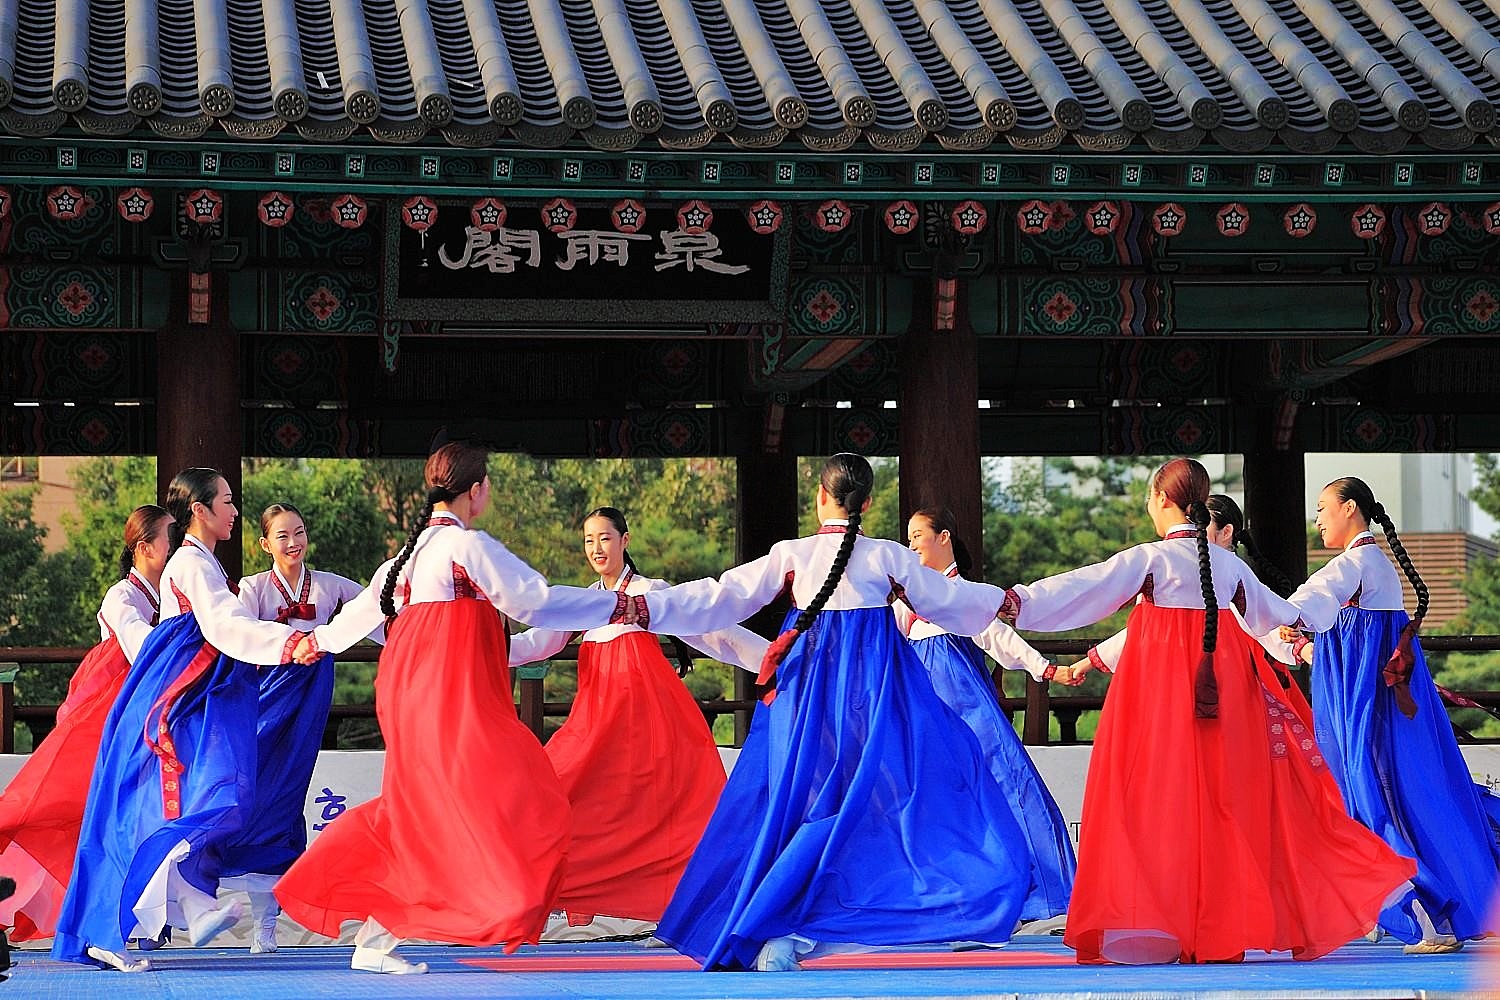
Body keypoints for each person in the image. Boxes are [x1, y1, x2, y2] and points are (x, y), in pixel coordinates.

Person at [609, 453, 1033, 971]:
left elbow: (722, 596)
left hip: (806, 699)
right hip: (874, 702)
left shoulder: (793, 553)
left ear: (820, 497)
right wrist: (1006, 602)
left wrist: (647, 607)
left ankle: (775, 926)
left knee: (792, 806)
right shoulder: (888, 557)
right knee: (895, 802)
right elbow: (949, 599)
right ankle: (811, 928)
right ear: (868, 503)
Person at [1007, 458, 1415, 965]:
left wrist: (1016, 602)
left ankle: (1165, 925)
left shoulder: (1152, 559)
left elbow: (1086, 587)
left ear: (1161, 499)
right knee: (1225, 807)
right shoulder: (1227, 566)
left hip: (1158, 698)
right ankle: (1218, 930)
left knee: (1153, 803)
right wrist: (1304, 625)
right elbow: (1279, 613)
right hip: (1227, 698)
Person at [273, 442, 621, 975]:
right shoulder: (466, 545)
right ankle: (493, 904)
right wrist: (617, 603)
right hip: (453, 700)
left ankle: (378, 935)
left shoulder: (406, 556)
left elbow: (359, 615)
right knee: (522, 794)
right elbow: (535, 600)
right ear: (476, 490)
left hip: (414, 697)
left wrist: (315, 642)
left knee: (425, 811)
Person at [53, 470, 318, 973]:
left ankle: (192, 910)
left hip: (184, 699)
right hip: (173, 704)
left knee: (178, 807)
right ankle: (114, 928)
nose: (234, 511)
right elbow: (224, 626)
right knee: (160, 810)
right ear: (200, 509)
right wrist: (288, 643)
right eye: (227, 501)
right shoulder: (192, 564)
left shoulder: (199, 562)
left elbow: (222, 628)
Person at [508, 506, 766, 926]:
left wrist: (771, 657)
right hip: (597, 730)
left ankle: (701, 904)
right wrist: (479, 645)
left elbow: (712, 630)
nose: (597, 548)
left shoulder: (649, 592)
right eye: (589, 540)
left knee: (679, 820)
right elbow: (536, 643)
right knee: (548, 790)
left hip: (649, 729)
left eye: (605, 538)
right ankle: (533, 887)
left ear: (625, 540)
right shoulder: (585, 601)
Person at [1284, 476, 1500, 952]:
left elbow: (1308, 604)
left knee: (1371, 805)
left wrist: (1279, 616)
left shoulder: (1356, 564)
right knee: (1400, 802)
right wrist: (1297, 633)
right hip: (1376, 715)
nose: (1317, 519)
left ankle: (1428, 918)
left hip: (1367, 718)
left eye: (1322, 507)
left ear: (1350, 508)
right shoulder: (1370, 567)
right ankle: (1408, 911)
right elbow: (1327, 625)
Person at [0, 506, 172, 943]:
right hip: (106, 721)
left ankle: (136, 917)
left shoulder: (169, 596)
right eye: (170, 537)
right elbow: (141, 648)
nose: (177, 547)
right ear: (144, 547)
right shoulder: (122, 597)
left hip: (145, 717)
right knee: (51, 811)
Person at [897, 506, 1075, 924]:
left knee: (1011, 788)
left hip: (970, 715)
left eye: (918, 535)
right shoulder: (906, 604)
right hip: (927, 719)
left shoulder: (965, 594)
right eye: (908, 538)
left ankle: (1045, 897)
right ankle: (956, 903)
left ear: (944, 537)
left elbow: (1000, 638)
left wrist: (1046, 669)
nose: (911, 545)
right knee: (935, 804)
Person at [225, 502, 375, 954]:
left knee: (287, 799)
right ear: (264, 544)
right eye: (283, 535)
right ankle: (205, 898)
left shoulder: (330, 586)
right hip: (264, 699)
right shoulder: (252, 589)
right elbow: (235, 638)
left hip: (308, 700)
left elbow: (376, 610)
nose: (294, 543)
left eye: (300, 532)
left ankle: (266, 926)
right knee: (249, 793)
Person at [1080, 495, 1316, 732]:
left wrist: (1302, 647)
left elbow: (1262, 618)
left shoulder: (1226, 570)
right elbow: (1146, 627)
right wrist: (1090, 661)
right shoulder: (1186, 569)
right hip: (1186, 676)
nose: (1194, 531)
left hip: (1225, 679)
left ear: (1226, 532)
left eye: (1201, 524)